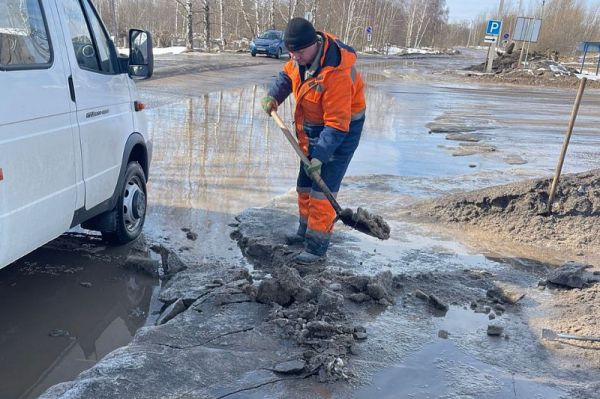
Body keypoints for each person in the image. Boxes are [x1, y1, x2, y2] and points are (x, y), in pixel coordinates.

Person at [261, 17, 366, 264]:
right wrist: (273, 97)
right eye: (291, 52)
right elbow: (286, 77)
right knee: (304, 183)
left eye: (298, 52)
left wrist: (319, 157)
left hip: (342, 132)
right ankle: (304, 232)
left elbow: (338, 125)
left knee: (321, 189)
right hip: (313, 126)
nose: (294, 57)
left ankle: (317, 247)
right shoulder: (300, 56)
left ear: (313, 45)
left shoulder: (336, 72)